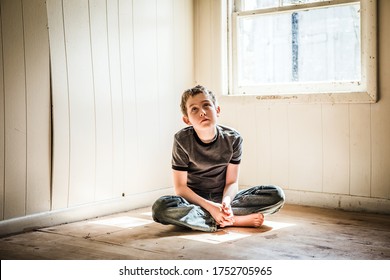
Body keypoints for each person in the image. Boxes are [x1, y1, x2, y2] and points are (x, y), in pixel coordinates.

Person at [152, 85, 285, 232]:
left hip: (224, 197)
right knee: (161, 208)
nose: (202, 112)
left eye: (206, 105)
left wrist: (225, 203)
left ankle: (216, 218)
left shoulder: (233, 139)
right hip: (195, 200)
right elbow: (181, 188)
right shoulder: (182, 140)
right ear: (187, 120)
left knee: (275, 194)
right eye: (194, 109)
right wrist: (211, 207)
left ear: (217, 110)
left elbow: (232, 182)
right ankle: (232, 220)